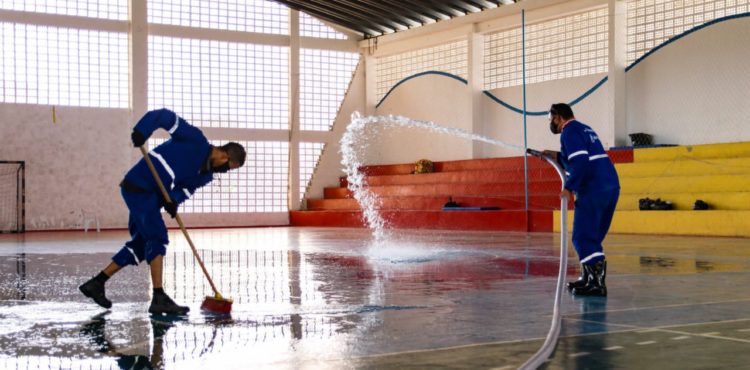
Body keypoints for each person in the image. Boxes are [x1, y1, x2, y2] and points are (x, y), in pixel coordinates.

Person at [79, 108, 246, 314]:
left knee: (141, 244)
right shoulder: (195, 139)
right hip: (139, 187)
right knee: (157, 238)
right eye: (229, 167)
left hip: (151, 197)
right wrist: (142, 130)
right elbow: (164, 116)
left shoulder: (206, 175)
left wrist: (174, 201)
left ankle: (97, 283)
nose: (226, 171)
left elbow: (186, 189)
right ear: (224, 155)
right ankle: (158, 297)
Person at [546, 103, 619, 297]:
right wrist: (556, 156)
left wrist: (569, 187)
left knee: (582, 237)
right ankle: (589, 278)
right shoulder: (584, 129)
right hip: (609, 186)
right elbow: (582, 157)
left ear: (559, 117)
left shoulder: (568, 132)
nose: (551, 123)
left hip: (593, 188)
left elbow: (580, 161)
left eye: (551, 119)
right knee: (592, 237)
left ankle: (596, 283)